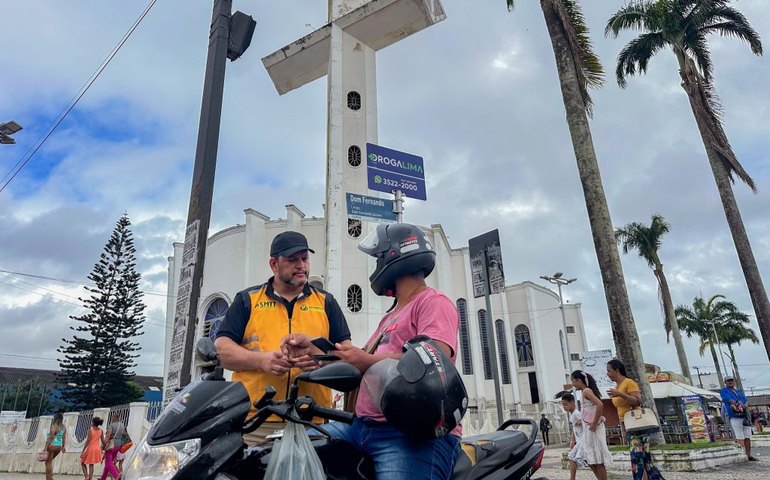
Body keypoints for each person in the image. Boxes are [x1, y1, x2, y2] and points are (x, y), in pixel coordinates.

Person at [285, 223, 462, 479]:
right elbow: (368, 363)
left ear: (393, 256)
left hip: (409, 435)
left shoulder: (433, 302)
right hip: (361, 427)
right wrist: (315, 351)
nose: (375, 266)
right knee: (288, 452)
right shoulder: (390, 317)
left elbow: (435, 357)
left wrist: (366, 360)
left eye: (377, 258)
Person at [215, 230, 351, 443]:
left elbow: (347, 356)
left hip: (312, 419)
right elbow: (221, 350)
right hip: (256, 420)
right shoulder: (247, 300)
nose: (301, 266)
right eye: (292, 260)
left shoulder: (326, 302)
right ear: (273, 264)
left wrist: (320, 360)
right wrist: (261, 360)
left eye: (304, 258)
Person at [606, 358, 665, 480]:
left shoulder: (629, 383)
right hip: (628, 425)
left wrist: (620, 394)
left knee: (636, 458)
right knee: (644, 458)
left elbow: (637, 400)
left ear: (617, 371)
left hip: (637, 424)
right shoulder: (617, 386)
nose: (608, 374)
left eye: (609, 371)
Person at [570, 370, 612, 480]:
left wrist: (594, 423)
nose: (573, 384)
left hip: (593, 428)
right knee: (590, 458)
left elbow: (600, 405)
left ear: (579, 380)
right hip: (588, 428)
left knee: (597, 460)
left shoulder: (586, 392)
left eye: (573, 381)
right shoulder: (584, 392)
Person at [720, 376, 757, 460]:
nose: (730, 382)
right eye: (728, 381)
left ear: (734, 381)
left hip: (744, 415)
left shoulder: (739, 391)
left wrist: (745, 405)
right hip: (734, 415)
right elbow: (728, 400)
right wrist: (737, 403)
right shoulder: (724, 391)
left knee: (747, 436)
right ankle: (742, 454)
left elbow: (746, 400)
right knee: (739, 436)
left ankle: (748, 454)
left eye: (731, 380)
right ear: (725, 382)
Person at [561, 392, 588, 480]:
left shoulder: (576, 413)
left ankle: (572, 478)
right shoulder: (571, 414)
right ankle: (572, 478)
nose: (564, 407)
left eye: (566, 404)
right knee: (573, 457)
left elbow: (585, 421)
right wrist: (572, 440)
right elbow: (574, 429)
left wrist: (580, 422)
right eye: (563, 405)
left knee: (574, 457)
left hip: (583, 438)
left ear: (572, 403)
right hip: (578, 439)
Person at [100, 413, 126, 480]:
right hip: (118, 445)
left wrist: (103, 444)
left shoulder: (111, 425)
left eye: (111, 418)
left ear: (113, 418)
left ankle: (116, 475)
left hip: (111, 445)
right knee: (109, 462)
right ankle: (103, 478)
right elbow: (124, 435)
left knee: (108, 463)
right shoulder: (122, 426)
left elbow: (108, 436)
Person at [44, 412, 66, 480]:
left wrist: (45, 447)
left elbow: (51, 437)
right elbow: (64, 438)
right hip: (58, 446)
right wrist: (63, 447)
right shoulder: (63, 427)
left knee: (48, 462)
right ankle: (50, 477)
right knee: (49, 462)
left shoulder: (54, 426)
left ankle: (49, 478)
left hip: (52, 445)